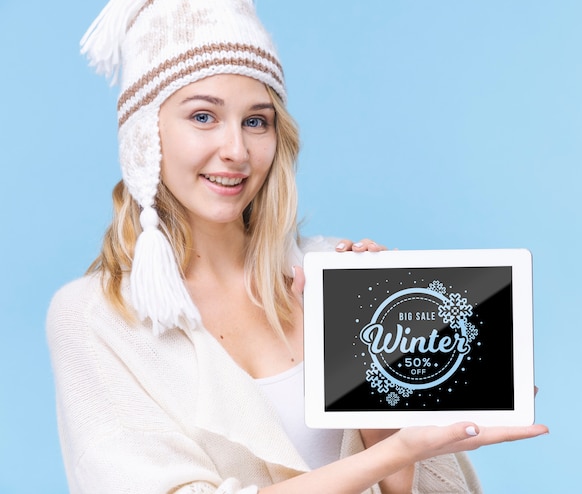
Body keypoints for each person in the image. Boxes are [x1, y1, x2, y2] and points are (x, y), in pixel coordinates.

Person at [46, 1, 548, 493]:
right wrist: (395, 452)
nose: (236, 151)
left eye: (256, 121)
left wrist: (380, 387)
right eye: (203, 117)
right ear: (144, 137)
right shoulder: (96, 316)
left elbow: (419, 490)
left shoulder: (331, 274)